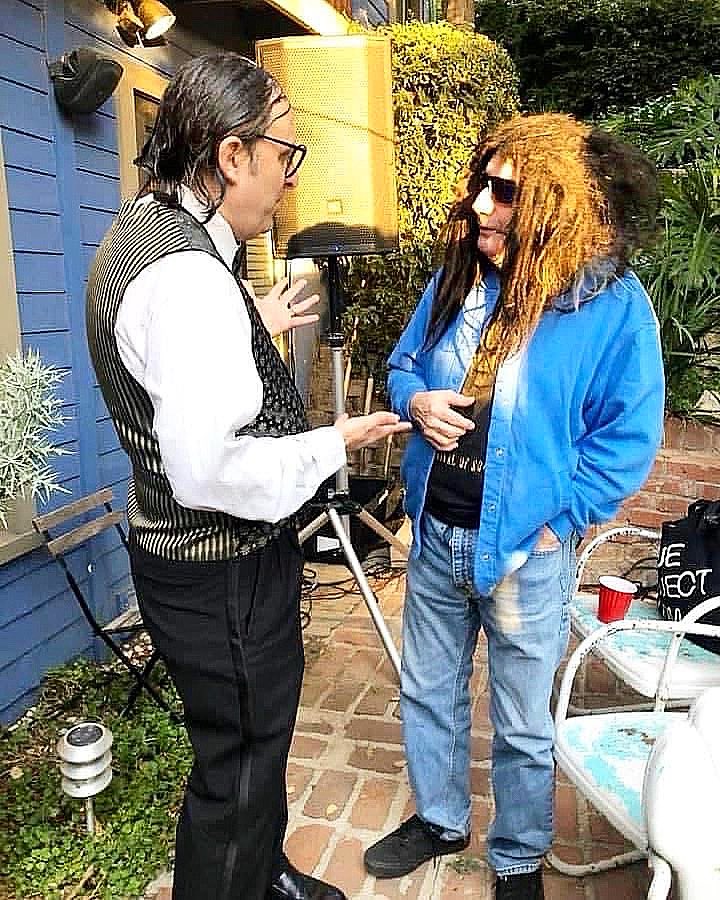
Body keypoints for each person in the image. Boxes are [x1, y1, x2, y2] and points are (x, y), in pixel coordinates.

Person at [86, 52, 409, 900]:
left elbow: (174, 370)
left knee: (251, 758)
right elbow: (212, 470)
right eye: (285, 154)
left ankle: (265, 877)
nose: (289, 178)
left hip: (192, 566)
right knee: (237, 771)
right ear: (233, 155)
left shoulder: (146, 230)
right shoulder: (189, 277)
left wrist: (248, 320)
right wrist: (332, 443)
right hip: (220, 570)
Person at [363, 113, 665, 899]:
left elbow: (627, 438)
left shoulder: (610, 304)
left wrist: (558, 523)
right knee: (428, 688)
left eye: (504, 193)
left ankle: (520, 855)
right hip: (437, 531)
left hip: (526, 554)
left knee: (524, 723)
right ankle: (440, 819)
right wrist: (414, 400)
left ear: (556, 205)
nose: (479, 207)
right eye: (480, 186)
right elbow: (402, 364)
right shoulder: (457, 276)